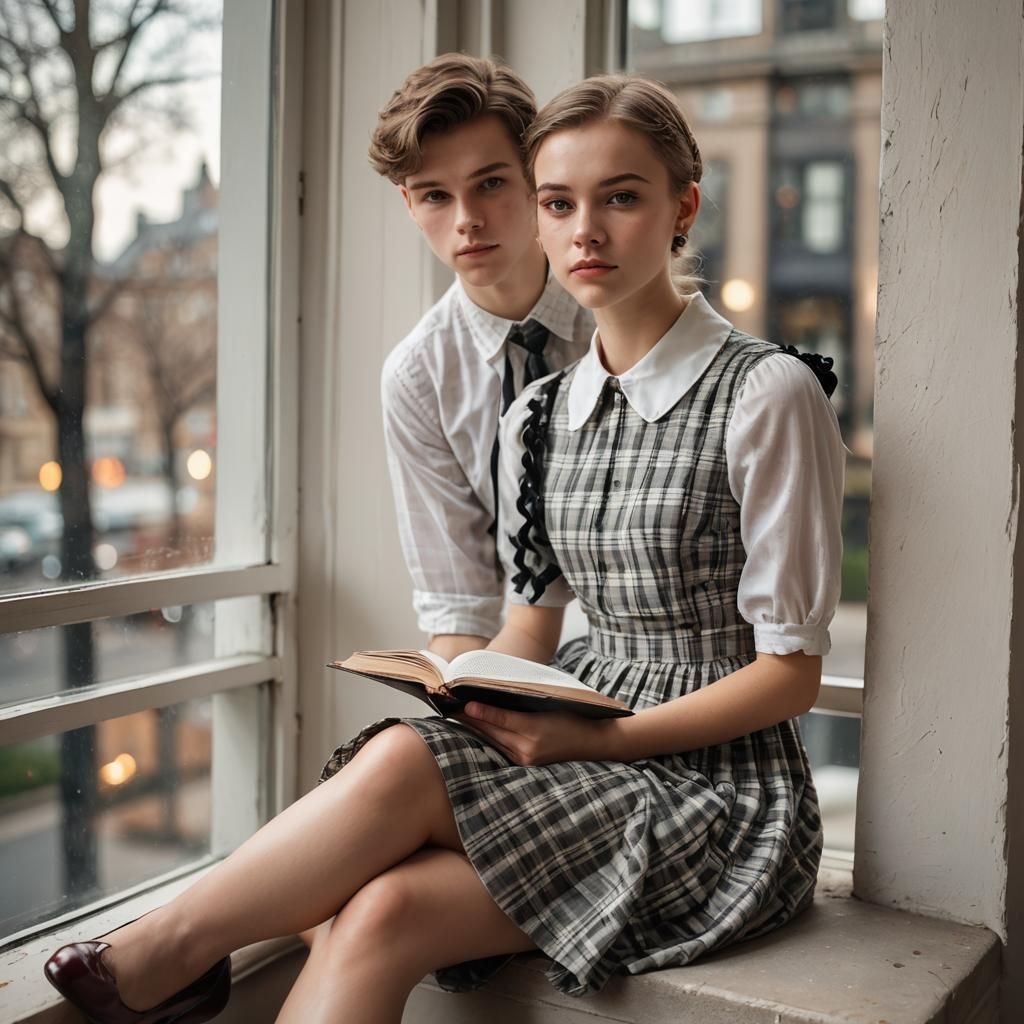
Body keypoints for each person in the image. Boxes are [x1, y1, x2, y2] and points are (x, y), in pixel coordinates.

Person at [42, 73, 845, 1024]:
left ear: (683, 206)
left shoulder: (768, 392)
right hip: (585, 746)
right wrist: (480, 701)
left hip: (721, 790)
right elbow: (528, 624)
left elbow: (791, 676)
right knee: (379, 907)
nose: (585, 231)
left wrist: (596, 739)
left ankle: (162, 955)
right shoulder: (536, 415)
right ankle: (169, 959)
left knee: (396, 782)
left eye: (621, 198)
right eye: (560, 204)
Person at [372, 53, 593, 663]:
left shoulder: (619, 311)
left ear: (534, 176)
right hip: (520, 665)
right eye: (435, 195)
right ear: (408, 203)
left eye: (490, 183)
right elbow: (459, 608)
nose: (466, 220)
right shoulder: (418, 377)